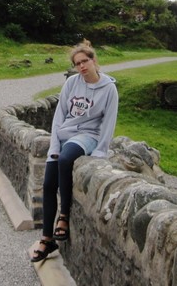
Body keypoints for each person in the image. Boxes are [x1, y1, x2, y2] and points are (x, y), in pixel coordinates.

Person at [30, 40, 119, 264]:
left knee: (67, 157)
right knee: (49, 184)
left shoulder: (108, 89)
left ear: (94, 60)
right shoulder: (71, 83)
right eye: (77, 63)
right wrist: (53, 144)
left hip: (88, 136)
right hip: (64, 133)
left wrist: (100, 152)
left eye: (85, 61)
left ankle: (64, 216)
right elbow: (59, 116)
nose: (81, 66)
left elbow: (108, 123)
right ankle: (47, 239)